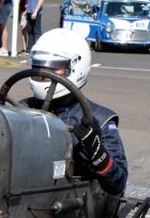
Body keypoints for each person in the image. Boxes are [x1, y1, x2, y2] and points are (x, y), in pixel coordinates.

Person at [21, 29, 128, 196]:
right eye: (37, 66)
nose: (42, 74)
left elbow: (118, 183)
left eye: (53, 67)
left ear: (76, 68)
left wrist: (96, 151)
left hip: (73, 205)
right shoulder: (20, 108)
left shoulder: (101, 119)